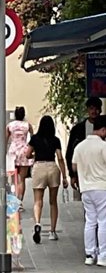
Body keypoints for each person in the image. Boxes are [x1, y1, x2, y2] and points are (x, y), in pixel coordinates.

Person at [26, 114, 69, 243]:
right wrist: (64, 176)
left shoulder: (34, 139)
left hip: (39, 167)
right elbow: (60, 157)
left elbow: (27, 154)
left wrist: (35, 154)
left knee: (38, 201)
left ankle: (37, 223)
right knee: (53, 202)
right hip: (52, 167)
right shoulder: (55, 140)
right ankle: (52, 231)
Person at [71, 114, 106, 266]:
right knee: (103, 221)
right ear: (103, 130)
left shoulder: (80, 146)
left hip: (85, 189)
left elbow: (74, 166)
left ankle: (89, 254)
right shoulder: (103, 146)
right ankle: (103, 256)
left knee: (90, 221)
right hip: (102, 187)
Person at [67, 98, 104, 189]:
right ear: (87, 110)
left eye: (97, 109)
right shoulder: (77, 129)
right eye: (91, 108)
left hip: (102, 174)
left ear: (100, 110)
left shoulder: (104, 128)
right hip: (83, 174)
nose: (94, 111)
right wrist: (72, 175)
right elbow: (70, 152)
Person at [6, 106, 34, 207]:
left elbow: (5, 140)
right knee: (22, 179)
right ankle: (19, 201)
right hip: (23, 151)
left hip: (13, 151)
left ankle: (13, 199)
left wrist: (4, 153)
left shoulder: (10, 126)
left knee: (13, 179)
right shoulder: (28, 125)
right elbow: (33, 139)